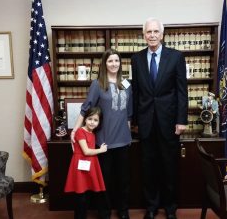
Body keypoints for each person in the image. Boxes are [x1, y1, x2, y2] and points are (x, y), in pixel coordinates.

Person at [131, 18, 188, 219]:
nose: (152, 35)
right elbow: (136, 92)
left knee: (169, 167)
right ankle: (151, 207)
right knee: (148, 168)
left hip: (169, 123)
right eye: (149, 32)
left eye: (156, 31)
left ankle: (170, 208)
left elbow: (182, 91)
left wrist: (181, 120)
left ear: (162, 35)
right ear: (144, 35)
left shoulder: (176, 57)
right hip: (146, 124)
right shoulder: (136, 59)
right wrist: (135, 121)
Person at [71, 49, 133, 219]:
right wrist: (76, 130)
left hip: (123, 141)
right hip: (103, 143)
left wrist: (128, 134)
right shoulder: (97, 84)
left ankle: (123, 211)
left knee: (123, 181)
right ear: (104, 64)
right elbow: (86, 108)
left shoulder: (127, 84)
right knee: (103, 180)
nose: (114, 64)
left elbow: (129, 113)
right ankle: (104, 212)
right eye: (110, 61)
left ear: (120, 64)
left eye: (117, 61)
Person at [64, 107, 107, 219]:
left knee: (88, 194)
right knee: (81, 195)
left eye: (95, 120)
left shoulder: (92, 133)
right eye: (90, 119)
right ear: (85, 119)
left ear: (99, 122)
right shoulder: (80, 131)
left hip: (91, 164)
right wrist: (101, 150)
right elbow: (86, 151)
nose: (92, 122)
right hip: (80, 165)